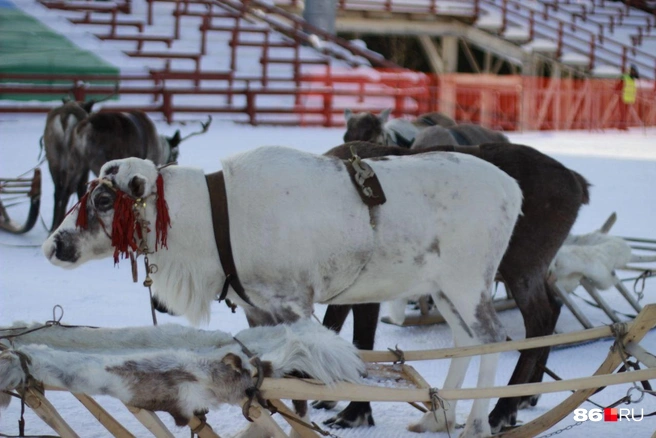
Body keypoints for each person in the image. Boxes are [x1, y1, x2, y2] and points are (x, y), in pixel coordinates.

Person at [617, 64, 639, 130]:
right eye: (632, 71)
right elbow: (619, 87)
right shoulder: (624, 77)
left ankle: (623, 125)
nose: (633, 72)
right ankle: (621, 126)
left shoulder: (632, 79)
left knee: (626, 113)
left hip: (629, 98)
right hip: (623, 97)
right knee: (622, 113)